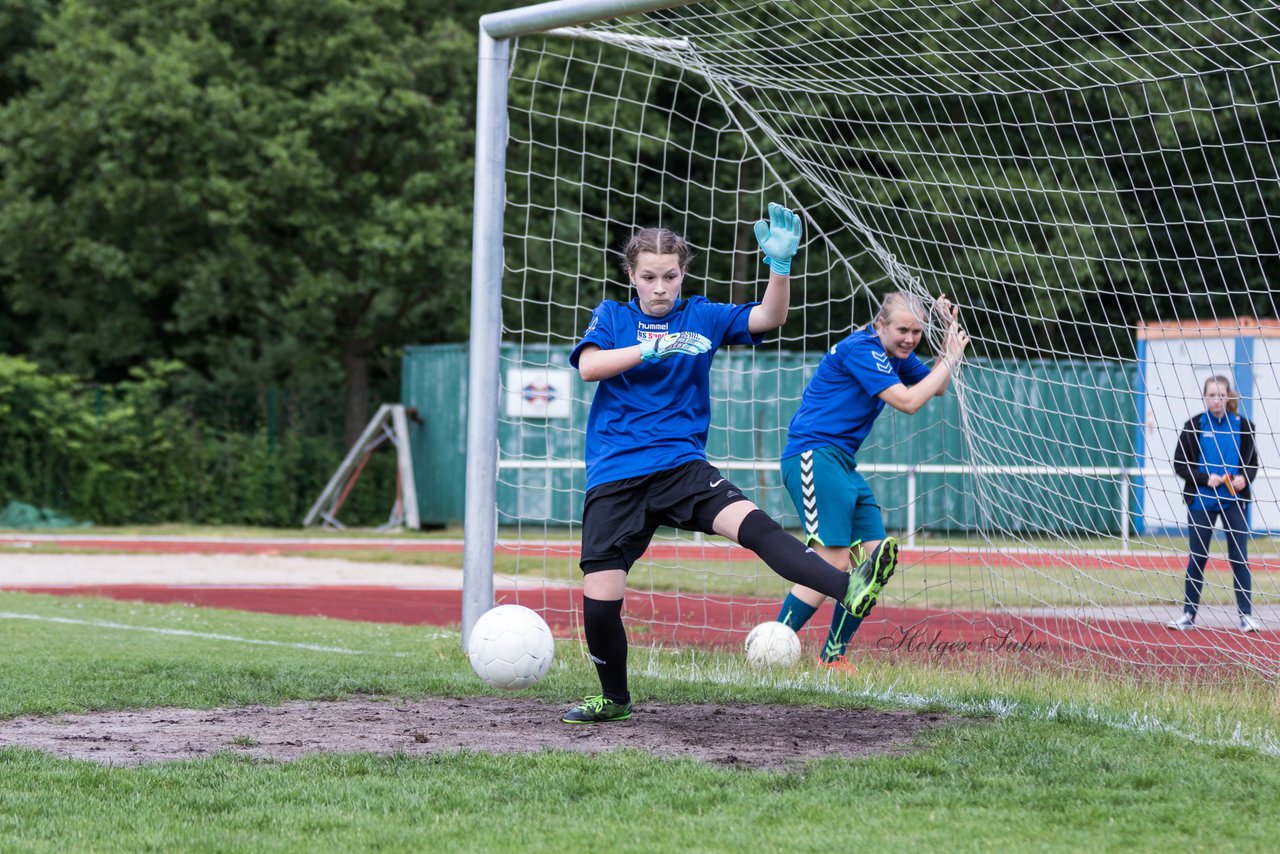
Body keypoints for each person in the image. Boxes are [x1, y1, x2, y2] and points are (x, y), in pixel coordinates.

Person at [562, 204, 890, 724]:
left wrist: (779, 268)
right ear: (632, 276)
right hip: (616, 475)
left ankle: (851, 587)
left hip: (681, 467)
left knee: (756, 529)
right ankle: (614, 699)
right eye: (649, 277)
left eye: (670, 275)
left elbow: (769, 317)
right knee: (601, 599)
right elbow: (588, 366)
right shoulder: (613, 316)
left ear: (683, 273)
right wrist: (654, 348)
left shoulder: (704, 316)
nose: (660, 287)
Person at [772, 291, 970, 669]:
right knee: (833, 559)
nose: (910, 339)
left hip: (842, 463)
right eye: (902, 330)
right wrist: (951, 357)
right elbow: (910, 402)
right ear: (880, 325)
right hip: (813, 455)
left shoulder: (895, 354)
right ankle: (771, 645)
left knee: (876, 558)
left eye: (916, 332)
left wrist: (948, 334)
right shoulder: (861, 349)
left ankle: (833, 656)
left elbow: (937, 385)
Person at [1168, 375, 1261, 633]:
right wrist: (1204, 478)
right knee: (1197, 557)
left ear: (1229, 396)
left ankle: (1246, 616)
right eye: (1211, 395)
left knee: (1239, 557)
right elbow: (1180, 463)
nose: (1216, 400)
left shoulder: (1244, 426)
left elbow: (1252, 464)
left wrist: (1245, 478)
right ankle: (1188, 614)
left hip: (1233, 501)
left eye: (1221, 395)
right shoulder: (1194, 425)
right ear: (1204, 396)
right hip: (1201, 502)